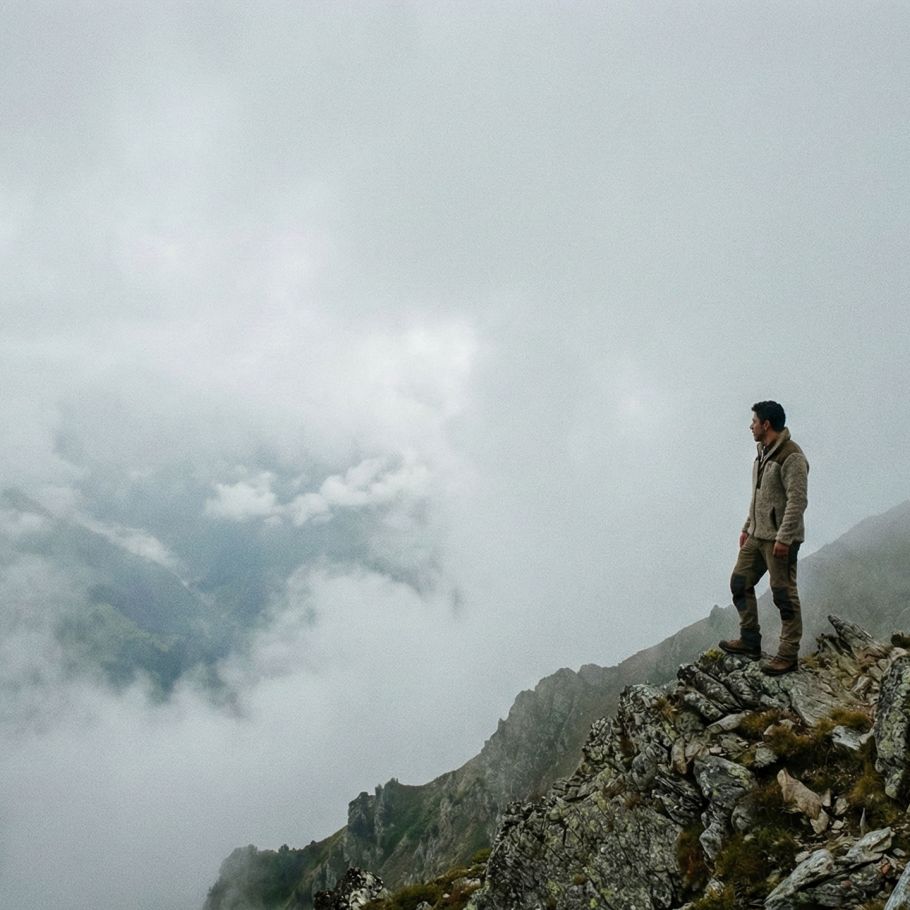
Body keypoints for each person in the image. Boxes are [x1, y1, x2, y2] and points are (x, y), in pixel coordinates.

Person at [720, 401, 809, 675]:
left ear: (766, 425)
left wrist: (784, 537)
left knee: (783, 595)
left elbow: (797, 500)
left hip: (780, 541)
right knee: (739, 582)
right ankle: (749, 640)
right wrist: (747, 527)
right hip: (757, 537)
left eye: (754, 421)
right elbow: (758, 496)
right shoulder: (762, 453)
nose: (751, 426)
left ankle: (788, 654)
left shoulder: (791, 456)